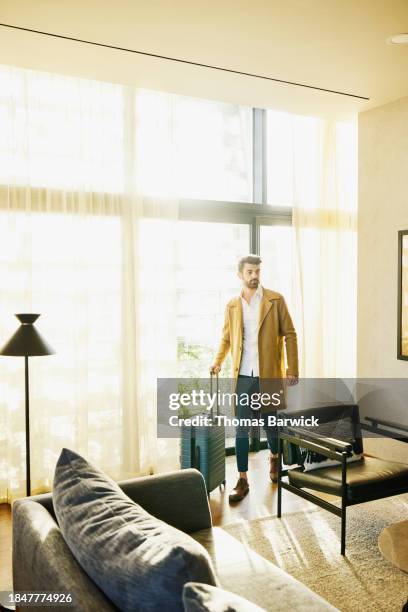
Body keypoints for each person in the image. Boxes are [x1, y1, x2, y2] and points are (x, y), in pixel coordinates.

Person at [210, 254, 299, 503]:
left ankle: (274, 459)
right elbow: (227, 338)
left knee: (270, 424)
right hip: (243, 377)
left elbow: (290, 334)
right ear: (240, 275)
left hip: (268, 374)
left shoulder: (275, 300)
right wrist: (218, 361)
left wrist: (293, 368)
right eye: (249, 272)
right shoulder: (232, 306)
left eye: (257, 271)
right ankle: (242, 478)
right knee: (241, 428)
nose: (254, 276)